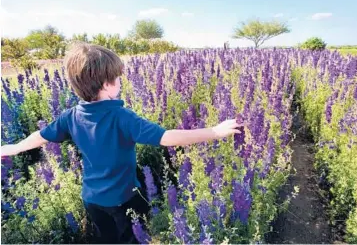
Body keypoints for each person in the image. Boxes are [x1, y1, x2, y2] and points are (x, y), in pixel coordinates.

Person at [1, 43, 243, 244]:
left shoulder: (71, 115)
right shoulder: (122, 117)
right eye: (117, 78)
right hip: (123, 197)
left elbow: (42, 135)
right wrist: (215, 131)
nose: (120, 81)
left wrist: (14, 147)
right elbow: (167, 137)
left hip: (92, 199)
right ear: (107, 84)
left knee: (107, 239)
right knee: (133, 237)